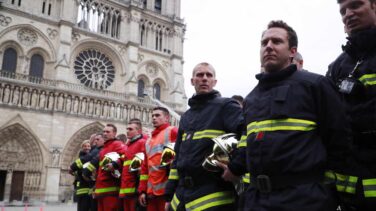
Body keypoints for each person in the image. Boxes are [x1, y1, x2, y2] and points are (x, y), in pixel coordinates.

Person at [220, 20, 352, 210]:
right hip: (257, 201)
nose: (269, 47)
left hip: (305, 200)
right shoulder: (252, 98)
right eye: (264, 43)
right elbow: (247, 143)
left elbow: (340, 140)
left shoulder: (315, 86)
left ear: (292, 51)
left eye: (276, 41)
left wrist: (327, 190)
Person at [164, 62, 244, 211]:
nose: (204, 78)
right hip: (182, 198)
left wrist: (236, 167)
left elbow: (246, 133)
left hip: (215, 198)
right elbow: (178, 158)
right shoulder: (186, 116)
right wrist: (169, 194)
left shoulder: (226, 106)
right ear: (192, 81)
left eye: (209, 75)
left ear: (215, 82)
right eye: (200, 75)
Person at [326, 0, 376, 210]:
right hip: (351, 197)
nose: (348, 14)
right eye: (343, 11)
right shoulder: (338, 66)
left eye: (355, 5)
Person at [138, 107, 178, 211]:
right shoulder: (148, 141)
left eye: (157, 115)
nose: (154, 118)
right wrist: (142, 191)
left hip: (167, 192)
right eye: (153, 116)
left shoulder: (173, 131)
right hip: (151, 193)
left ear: (167, 118)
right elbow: (145, 168)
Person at [87, 124, 126, 211]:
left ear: (114, 133)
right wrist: (96, 188)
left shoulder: (118, 144)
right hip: (101, 191)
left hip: (111, 192)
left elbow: (127, 156)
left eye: (108, 132)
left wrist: (115, 164)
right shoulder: (104, 149)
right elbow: (101, 171)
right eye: (104, 131)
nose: (105, 133)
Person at [119, 119, 147, 211]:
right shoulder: (129, 146)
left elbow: (144, 165)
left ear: (138, 131)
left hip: (134, 189)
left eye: (131, 129)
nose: (127, 131)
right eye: (127, 129)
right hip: (126, 189)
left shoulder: (142, 143)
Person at [72, 140, 91, 211]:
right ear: (82, 147)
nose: (87, 148)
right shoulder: (82, 158)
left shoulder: (83, 157)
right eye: (85, 146)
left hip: (85, 188)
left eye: (89, 146)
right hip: (83, 188)